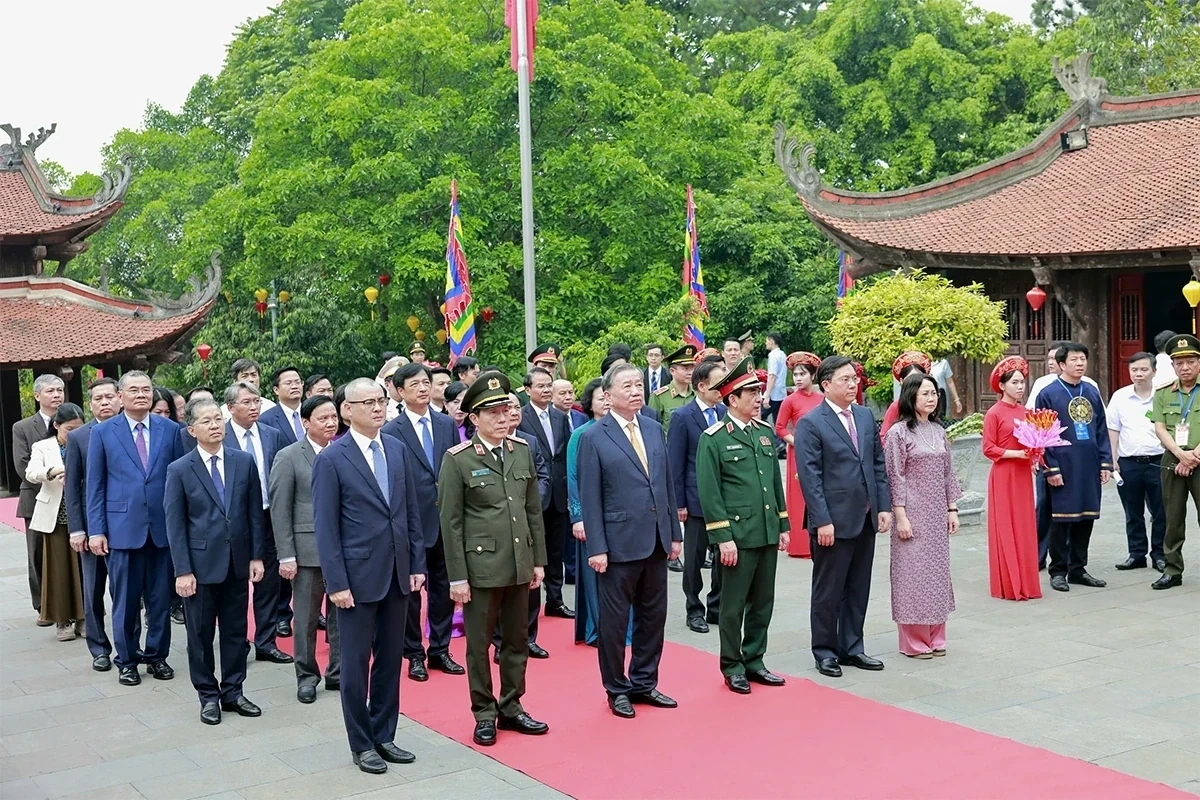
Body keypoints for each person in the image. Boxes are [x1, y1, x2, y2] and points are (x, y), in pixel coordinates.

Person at [312, 377, 425, 774]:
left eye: (381, 401)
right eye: (368, 402)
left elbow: (409, 512)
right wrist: (337, 583)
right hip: (356, 580)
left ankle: (384, 734)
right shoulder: (332, 458)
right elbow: (326, 528)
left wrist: (416, 566)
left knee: (391, 659)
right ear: (347, 410)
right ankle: (361, 743)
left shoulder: (395, 448)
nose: (378, 408)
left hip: (397, 574)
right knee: (356, 664)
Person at [439, 372, 550, 746]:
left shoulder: (521, 450)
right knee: (478, 645)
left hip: (520, 562)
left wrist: (538, 561)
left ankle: (512, 705)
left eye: (506, 410)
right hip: (481, 567)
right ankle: (484, 712)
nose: (503, 418)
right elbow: (451, 523)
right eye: (493, 413)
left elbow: (532, 510)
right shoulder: (458, 459)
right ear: (474, 418)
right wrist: (457, 577)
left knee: (517, 640)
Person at [577, 363, 681, 718]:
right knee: (615, 621)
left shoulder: (653, 428)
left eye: (640, 384)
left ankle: (644, 682)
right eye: (628, 386)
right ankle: (616, 688)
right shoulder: (594, 436)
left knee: (654, 616)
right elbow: (590, 497)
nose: (636, 391)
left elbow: (665, 484)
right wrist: (597, 547)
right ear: (607, 395)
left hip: (655, 540)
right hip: (617, 544)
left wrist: (674, 534)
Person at [165, 398, 266, 725]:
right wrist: (183, 570)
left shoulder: (243, 461)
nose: (215, 426)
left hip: (237, 562)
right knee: (200, 634)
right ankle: (207, 695)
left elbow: (253, 514)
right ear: (192, 430)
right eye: (206, 421)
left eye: (217, 420)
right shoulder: (180, 469)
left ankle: (233, 690)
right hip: (200, 566)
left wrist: (256, 556)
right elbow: (176, 524)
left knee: (237, 632)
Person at [795, 356, 892, 678]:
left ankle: (852, 647)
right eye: (846, 380)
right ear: (826, 385)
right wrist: (822, 520)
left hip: (864, 516)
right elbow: (810, 476)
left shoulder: (865, 417)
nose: (853, 385)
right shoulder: (812, 423)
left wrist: (883, 507)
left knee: (858, 586)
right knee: (829, 590)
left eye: (855, 379)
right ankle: (824, 650)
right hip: (832, 521)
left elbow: (877, 465)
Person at [696, 359, 789, 692]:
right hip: (737, 534)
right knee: (733, 605)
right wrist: (723, 537)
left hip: (764, 531)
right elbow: (710, 492)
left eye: (758, 391)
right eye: (751, 392)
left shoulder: (763, 433)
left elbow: (774, 484)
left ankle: (755, 659)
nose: (758, 397)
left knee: (763, 601)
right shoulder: (714, 439)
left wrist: (783, 524)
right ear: (732, 399)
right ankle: (732, 664)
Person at [86, 370, 182, 686]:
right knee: (125, 601)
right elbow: (96, 485)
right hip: (122, 529)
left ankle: (157, 656)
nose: (141, 394)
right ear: (121, 395)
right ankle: (126, 660)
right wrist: (96, 530)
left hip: (162, 528)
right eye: (134, 390)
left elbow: (180, 481)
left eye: (146, 389)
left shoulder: (170, 430)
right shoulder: (103, 433)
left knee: (159, 599)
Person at [380, 364, 466, 682]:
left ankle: (440, 649)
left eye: (426, 382)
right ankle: (413, 652)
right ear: (400, 391)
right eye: (414, 384)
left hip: (445, 518)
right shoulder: (391, 430)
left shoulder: (445, 423)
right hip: (411, 523)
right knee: (412, 591)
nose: (422, 388)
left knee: (444, 588)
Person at [270, 395, 343, 703]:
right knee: (306, 619)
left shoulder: (343, 452)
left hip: (343, 550)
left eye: (333, 417)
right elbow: (280, 508)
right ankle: (307, 675)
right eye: (323, 418)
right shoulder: (289, 456)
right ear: (305, 422)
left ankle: (338, 673)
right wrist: (286, 554)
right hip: (307, 551)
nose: (330, 423)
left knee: (341, 617)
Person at [885, 373, 961, 658]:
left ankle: (937, 635)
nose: (931, 398)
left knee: (938, 575)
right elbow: (895, 476)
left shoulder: (939, 431)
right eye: (925, 393)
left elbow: (947, 473)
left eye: (934, 393)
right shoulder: (898, 433)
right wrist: (900, 516)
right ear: (910, 396)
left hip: (936, 514)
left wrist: (952, 508)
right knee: (912, 576)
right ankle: (914, 641)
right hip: (911, 514)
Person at [224, 381, 293, 662]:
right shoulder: (220, 435)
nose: (254, 407)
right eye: (246, 402)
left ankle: (266, 641)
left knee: (269, 583)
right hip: (234, 521)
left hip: (268, 516)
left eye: (256, 401)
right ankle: (237, 641)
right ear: (230, 408)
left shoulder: (272, 435)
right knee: (236, 585)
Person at [1037, 343, 1113, 592]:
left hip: (1088, 465)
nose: (1080, 364)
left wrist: (1105, 462)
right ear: (1061, 364)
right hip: (1063, 465)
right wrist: (1052, 468)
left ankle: (1078, 568)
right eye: (1074, 360)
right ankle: (1058, 570)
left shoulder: (1090, 390)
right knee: (1061, 519)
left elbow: (1101, 428)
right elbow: (1042, 434)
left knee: (1086, 517)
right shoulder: (1047, 393)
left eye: (1083, 359)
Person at [65, 378, 124, 670]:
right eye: (98, 398)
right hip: (91, 528)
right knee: (93, 589)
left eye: (109, 397)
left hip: (126, 526)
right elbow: (73, 487)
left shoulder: (132, 432)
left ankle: (129, 648)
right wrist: (77, 529)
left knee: (125, 591)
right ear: (90, 404)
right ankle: (99, 647)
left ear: (120, 398)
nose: (105, 402)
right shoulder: (80, 437)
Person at [667, 360, 727, 633]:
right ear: (702, 386)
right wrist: (679, 503)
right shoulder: (683, 416)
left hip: (724, 500)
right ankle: (694, 609)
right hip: (695, 501)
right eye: (718, 382)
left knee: (723, 556)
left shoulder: (726, 411)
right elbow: (675, 464)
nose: (724, 388)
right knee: (694, 559)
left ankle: (716, 606)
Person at [982, 357, 1042, 601]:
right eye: (1015, 382)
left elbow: (1034, 442)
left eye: (1022, 382)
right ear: (1002, 385)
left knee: (1025, 525)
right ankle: (1009, 583)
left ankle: (1026, 581)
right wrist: (1016, 453)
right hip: (1004, 474)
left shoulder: (1027, 412)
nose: (1020, 386)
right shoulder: (994, 413)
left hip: (1022, 475)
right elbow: (988, 448)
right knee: (1006, 526)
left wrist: (1037, 453)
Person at [25, 403, 87, 641]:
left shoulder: (85, 442)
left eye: (78, 428)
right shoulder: (42, 446)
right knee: (59, 569)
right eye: (69, 429)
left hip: (81, 513)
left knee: (84, 569)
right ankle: (62, 621)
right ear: (57, 425)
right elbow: (31, 472)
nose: (73, 433)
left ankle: (84, 617)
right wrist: (52, 472)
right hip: (56, 515)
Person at [518, 366, 573, 626]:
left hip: (559, 493)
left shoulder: (561, 416)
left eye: (548, 385)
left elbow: (564, 456)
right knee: (535, 551)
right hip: (533, 494)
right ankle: (532, 602)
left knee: (556, 550)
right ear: (528, 390)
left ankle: (556, 600)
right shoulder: (520, 416)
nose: (546, 390)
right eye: (540, 386)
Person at [12, 373, 65, 624]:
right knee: (37, 554)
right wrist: (51, 478)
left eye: (60, 390)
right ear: (37, 396)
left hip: (67, 499)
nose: (57, 395)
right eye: (51, 391)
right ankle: (42, 606)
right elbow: (22, 465)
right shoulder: (22, 427)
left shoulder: (72, 422)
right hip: (34, 497)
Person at [1106, 353, 1166, 572]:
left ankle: (1159, 554)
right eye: (1134, 370)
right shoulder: (1120, 397)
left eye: (1143, 369)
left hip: (1159, 461)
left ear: (1154, 371)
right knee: (1133, 511)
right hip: (1129, 462)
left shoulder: (1163, 395)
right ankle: (1136, 554)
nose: (1138, 374)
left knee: (1161, 511)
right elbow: (1113, 429)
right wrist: (1112, 460)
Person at [1151, 333, 1200, 590]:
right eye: (1179, 363)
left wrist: (1193, 457)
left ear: (1199, 362)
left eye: (1190, 361)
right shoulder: (1163, 392)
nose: (1185, 367)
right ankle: (1172, 569)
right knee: (1173, 516)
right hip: (1173, 459)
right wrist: (1181, 456)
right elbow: (1160, 427)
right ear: (1172, 366)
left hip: (1198, 456)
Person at [569, 379, 614, 645]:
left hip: (617, 515)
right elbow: (574, 478)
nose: (606, 403)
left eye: (608, 397)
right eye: (600, 399)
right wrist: (578, 517)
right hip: (589, 515)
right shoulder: (581, 434)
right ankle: (597, 628)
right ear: (590, 404)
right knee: (595, 575)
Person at [775, 352, 823, 559]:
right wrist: (798, 442)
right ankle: (799, 545)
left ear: (813, 376)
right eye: (795, 374)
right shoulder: (790, 400)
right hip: (799, 453)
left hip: (821, 452)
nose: (798, 378)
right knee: (800, 495)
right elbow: (779, 428)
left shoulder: (822, 399)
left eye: (803, 373)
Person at [882, 352, 931, 441]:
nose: (915, 382)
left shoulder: (930, 403)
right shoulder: (896, 406)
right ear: (902, 381)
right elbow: (884, 437)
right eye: (910, 378)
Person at [648, 345, 696, 430]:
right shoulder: (659, 397)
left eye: (692, 368)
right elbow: (650, 427)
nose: (690, 372)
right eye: (685, 368)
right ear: (672, 371)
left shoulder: (697, 394)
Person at [260, 365, 306, 445]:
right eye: (288, 383)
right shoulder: (266, 420)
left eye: (298, 382)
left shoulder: (313, 413)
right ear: (276, 390)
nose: (294, 386)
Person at [763, 333, 787, 424]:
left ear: (772, 341)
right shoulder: (782, 354)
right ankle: (778, 438)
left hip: (774, 394)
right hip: (781, 393)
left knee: (760, 416)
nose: (766, 343)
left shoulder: (773, 356)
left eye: (767, 341)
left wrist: (767, 396)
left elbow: (772, 376)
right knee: (778, 420)